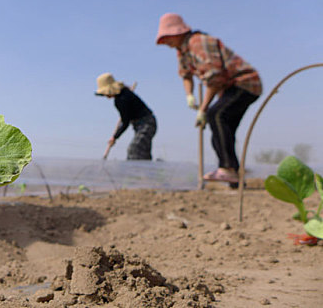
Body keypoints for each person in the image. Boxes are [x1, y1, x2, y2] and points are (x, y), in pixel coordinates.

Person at [155, 13, 262, 184]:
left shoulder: (198, 42)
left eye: (167, 38)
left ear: (177, 32)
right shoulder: (182, 52)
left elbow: (215, 78)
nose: (166, 44)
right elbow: (186, 75)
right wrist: (189, 95)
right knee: (224, 126)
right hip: (227, 88)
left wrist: (203, 109)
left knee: (216, 115)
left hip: (244, 83)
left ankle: (227, 168)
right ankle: (234, 176)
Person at [95, 73, 157, 160]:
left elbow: (125, 122)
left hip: (147, 123)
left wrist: (115, 136)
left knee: (135, 149)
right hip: (139, 125)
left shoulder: (122, 99)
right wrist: (115, 136)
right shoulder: (123, 93)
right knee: (143, 152)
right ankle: (146, 172)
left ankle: (137, 172)